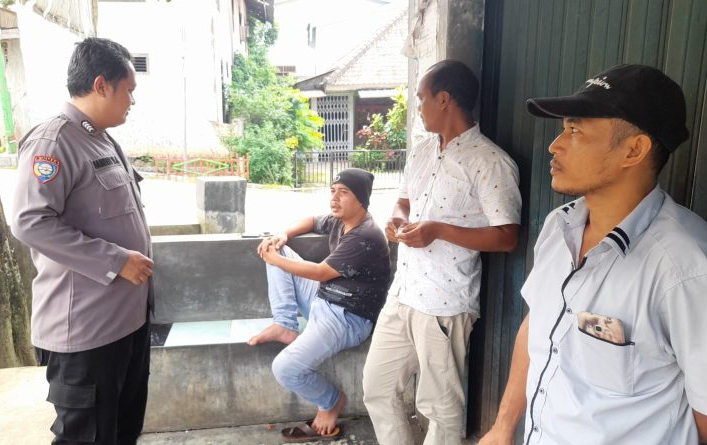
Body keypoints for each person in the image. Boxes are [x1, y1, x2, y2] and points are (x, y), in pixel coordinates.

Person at [479, 64, 707, 444]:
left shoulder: (685, 266)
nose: (555, 145)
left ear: (633, 150)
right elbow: (540, 325)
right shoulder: (559, 226)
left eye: (575, 130)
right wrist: (503, 427)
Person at [362, 60, 522, 445]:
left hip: (445, 304)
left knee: (441, 409)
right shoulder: (421, 152)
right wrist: (397, 220)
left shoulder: (491, 162)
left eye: (421, 98)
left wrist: (438, 230)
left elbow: (507, 237)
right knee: (377, 388)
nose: (418, 107)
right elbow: (403, 202)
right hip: (403, 294)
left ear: (444, 99)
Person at [12, 37, 154, 445]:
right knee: (86, 438)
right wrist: (116, 260)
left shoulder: (101, 138)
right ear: (101, 85)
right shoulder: (54, 142)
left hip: (126, 321)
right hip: (87, 331)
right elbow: (30, 221)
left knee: (123, 432)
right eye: (128, 90)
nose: (132, 101)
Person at [247, 168, 391, 441]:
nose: (334, 198)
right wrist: (283, 235)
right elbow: (312, 220)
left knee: (285, 369)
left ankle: (330, 402)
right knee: (279, 248)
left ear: (361, 200)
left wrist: (274, 260)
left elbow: (321, 272)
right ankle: (284, 324)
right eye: (332, 191)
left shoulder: (366, 235)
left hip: (347, 317)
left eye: (343, 192)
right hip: (324, 298)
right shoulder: (340, 220)